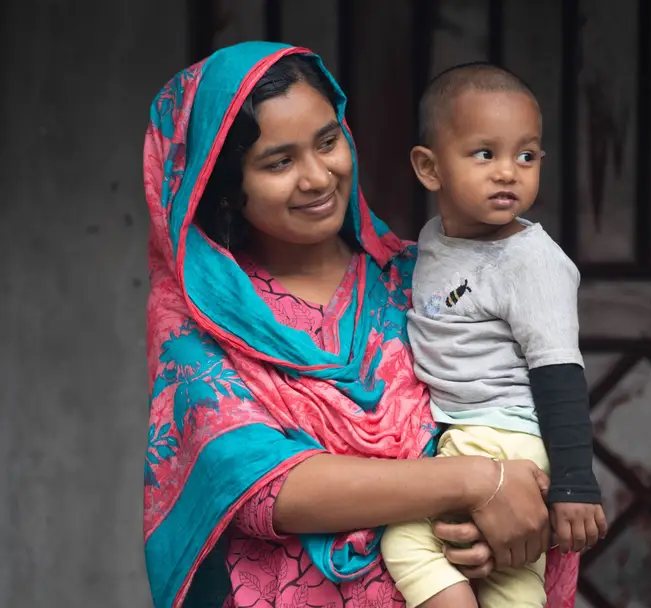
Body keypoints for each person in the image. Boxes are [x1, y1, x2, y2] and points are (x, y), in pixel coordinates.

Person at [143, 42, 580, 608]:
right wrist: (476, 483)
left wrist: (495, 537)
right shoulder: (202, 323)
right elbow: (258, 485)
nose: (318, 177)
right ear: (224, 183)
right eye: (279, 162)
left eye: (327, 142)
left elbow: (522, 423)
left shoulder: (420, 281)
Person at [381, 63, 607, 608]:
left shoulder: (529, 261)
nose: (509, 172)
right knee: (510, 578)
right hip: (466, 436)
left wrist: (575, 482)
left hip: (503, 435)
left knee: (407, 539)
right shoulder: (436, 239)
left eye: (526, 156)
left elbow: (559, 373)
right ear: (429, 169)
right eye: (485, 154)